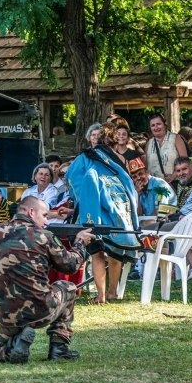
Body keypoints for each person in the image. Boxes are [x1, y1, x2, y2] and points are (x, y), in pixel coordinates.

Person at [0, 197, 96, 363]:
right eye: (44, 215)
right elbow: (70, 266)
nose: (47, 221)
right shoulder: (44, 236)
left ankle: (6, 351)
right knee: (68, 287)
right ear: (31, 212)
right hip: (40, 310)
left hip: (8, 314)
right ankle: (59, 348)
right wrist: (79, 243)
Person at [65, 123, 142, 304]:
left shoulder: (87, 157)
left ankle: (101, 295)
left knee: (97, 252)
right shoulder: (118, 159)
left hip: (96, 211)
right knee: (115, 250)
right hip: (120, 212)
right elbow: (128, 186)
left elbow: (71, 177)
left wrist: (82, 200)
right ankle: (112, 292)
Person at [145, 113, 188, 185]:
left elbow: (185, 161)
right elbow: (145, 167)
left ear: (165, 124)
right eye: (153, 125)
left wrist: (174, 175)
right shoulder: (149, 143)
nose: (156, 127)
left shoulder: (176, 138)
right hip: (154, 186)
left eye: (158, 124)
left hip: (174, 184)